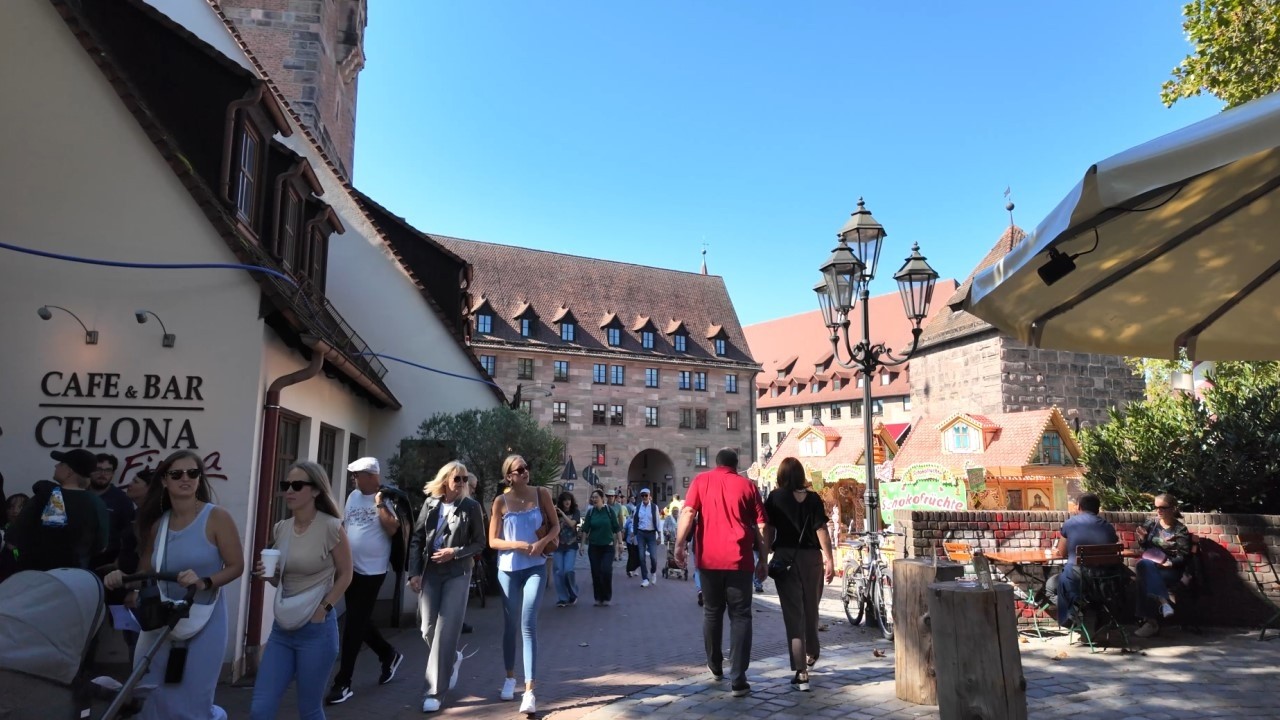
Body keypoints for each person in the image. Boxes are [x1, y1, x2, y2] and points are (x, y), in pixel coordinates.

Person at [104, 450, 244, 720]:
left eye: (193, 473)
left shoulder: (217, 517)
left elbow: (236, 565)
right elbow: (147, 570)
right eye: (176, 474)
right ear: (164, 481)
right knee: (149, 696)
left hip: (204, 620)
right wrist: (124, 579)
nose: (186, 478)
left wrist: (205, 581)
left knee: (192, 700)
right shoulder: (158, 525)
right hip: (160, 619)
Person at [250, 461, 352, 719]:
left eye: (297, 485)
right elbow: (280, 581)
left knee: (309, 710)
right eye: (286, 485)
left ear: (316, 491)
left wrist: (324, 609)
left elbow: (346, 574)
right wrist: (270, 576)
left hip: (316, 631)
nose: (289, 491)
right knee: (260, 708)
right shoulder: (281, 528)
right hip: (282, 629)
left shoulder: (331, 526)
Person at [674, 448, 767, 698]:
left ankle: (715, 666)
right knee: (741, 616)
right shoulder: (747, 486)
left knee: (712, 612)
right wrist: (764, 559)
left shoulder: (701, 481)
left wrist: (679, 544)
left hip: (709, 559)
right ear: (736, 466)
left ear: (716, 463)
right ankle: (738, 678)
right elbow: (762, 525)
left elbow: (688, 512)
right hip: (739, 560)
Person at [407, 461, 486, 713]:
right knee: (426, 628)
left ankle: (435, 692)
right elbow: (417, 538)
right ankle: (451, 658)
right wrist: (414, 572)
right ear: (445, 481)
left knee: (445, 629)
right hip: (431, 572)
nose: (462, 484)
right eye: (457, 479)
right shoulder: (431, 504)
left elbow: (479, 543)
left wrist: (455, 552)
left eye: (465, 479)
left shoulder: (471, 507)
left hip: (458, 572)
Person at [326, 457, 403, 705]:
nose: (354, 479)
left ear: (372, 475)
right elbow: (347, 527)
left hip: (373, 571)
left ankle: (343, 681)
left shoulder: (388, 498)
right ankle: (388, 654)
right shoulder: (352, 497)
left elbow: (393, 528)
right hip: (350, 569)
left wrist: (380, 502)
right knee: (360, 621)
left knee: (354, 624)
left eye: (357, 475)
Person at [488, 454, 557, 714]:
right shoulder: (500, 502)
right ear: (509, 476)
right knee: (509, 625)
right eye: (520, 469)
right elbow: (493, 541)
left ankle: (529, 691)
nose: (526, 471)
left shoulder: (542, 494)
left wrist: (540, 544)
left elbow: (556, 527)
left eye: (527, 467)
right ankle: (509, 678)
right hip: (507, 569)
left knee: (528, 624)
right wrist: (517, 544)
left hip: (535, 568)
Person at [763, 457, 835, 692]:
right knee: (812, 607)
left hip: (785, 558)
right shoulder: (814, 498)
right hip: (812, 559)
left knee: (793, 614)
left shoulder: (775, 497)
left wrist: (763, 558)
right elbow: (821, 528)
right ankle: (812, 652)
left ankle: (800, 669)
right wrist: (829, 558)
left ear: (781, 475)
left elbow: (769, 530)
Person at [9, 449, 109, 571]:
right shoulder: (97, 504)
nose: (56, 465)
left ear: (69, 472)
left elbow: (14, 538)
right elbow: (101, 547)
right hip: (75, 577)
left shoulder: (47, 497)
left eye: (61, 463)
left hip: (39, 576)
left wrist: (18, 558)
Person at [1044, 492, 1117, 626]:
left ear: (1079, 507)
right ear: (1098, 509)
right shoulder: (1108, 527)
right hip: (1106, 583)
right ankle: (1089, 611)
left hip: (1078, 581)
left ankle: (1074, 614)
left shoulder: (1070, 524)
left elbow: (1061, 552)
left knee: (1050, 585)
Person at [1133, 493, 1192, 638]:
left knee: (1143, 575)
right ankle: (1163, 603)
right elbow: (1145, 547)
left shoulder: (1180, 529)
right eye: (1156, 507)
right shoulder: (1151, 524)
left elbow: (1184, 556)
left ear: (1173, 508)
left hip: (1170, 569)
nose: (1159, 511)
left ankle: (1150, 622)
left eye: (1163, 508)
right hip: (1153, 565)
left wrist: (1169, 563)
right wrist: (1141, 539)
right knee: (1144, 567)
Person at [89, 453, 138, 575]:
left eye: (108, 470)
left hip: (106, 562)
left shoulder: (122, 500)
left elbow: (128, 536)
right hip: (77, 560)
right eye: (98, 469)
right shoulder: (80, 494)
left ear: (113, 473)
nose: (103, 474)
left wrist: (117, 563)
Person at [580, 488, 620, 606]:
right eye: (592, 497)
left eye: (596, 497)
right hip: (594, 547)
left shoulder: (609, 511)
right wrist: (582, 545)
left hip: (608, 547)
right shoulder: (591, 512)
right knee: (596, 572)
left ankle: (607, 597)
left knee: (606, 570)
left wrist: (621, 544)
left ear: (602, 498)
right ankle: (598, 598)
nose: (594, 499)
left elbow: (616, 528)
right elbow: (585, 529)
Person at [552, 491, 581, 606]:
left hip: (571, 546)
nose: (567, 502)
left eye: (569, 499)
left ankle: (573, 593)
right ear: (561, 502)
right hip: (558, 546)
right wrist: (553, 512)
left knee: (568, 570)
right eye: (564, 500)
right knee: (558, 572)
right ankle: (562, 598)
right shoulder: (555, 513)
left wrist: (562, 514)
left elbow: (571, 524)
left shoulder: (576, 512)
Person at [633, 488, 662, 587]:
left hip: (651, 534)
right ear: (641, 497)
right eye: (643, 495)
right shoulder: (637, 507)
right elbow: (635, 521)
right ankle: (645, 578)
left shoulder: (654, 507)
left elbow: (658, 521)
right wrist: (634, 534)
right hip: (641, 533)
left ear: (649, 496)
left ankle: (653, 572)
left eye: (646, 495)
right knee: (641, 557)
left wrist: (659, 535)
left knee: (653, 557)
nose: (644, 497)